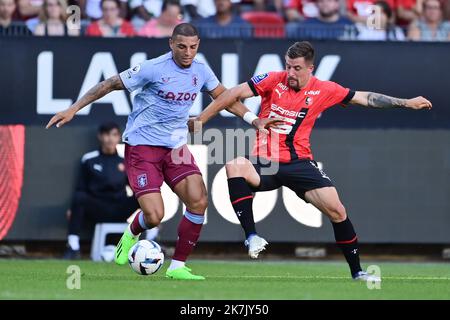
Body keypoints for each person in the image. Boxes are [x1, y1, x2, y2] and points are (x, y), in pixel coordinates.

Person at [46, 23, 275, 280]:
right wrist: (73, 108)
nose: (188, 52)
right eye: (182, 47)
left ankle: (177, 267)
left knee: (199, 200)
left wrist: (254, 120)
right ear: (171, 44)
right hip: (142, 147)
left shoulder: (201, 70)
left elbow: (226, 98)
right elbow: (110, 84)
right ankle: (132, 232)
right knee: (154, 216)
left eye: (193, 47)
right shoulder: (153, 68)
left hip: (175, 148)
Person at [193, 41, 432, 282]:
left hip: (300, 163)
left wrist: (406, 103)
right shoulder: (273, 79)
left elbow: (364, 98)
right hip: (266, 162)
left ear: (310, 69)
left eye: (296, 68)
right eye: (288, 66)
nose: (290, 73)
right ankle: (252, 236)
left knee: (338, 211)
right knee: (234, 164)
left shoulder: (325, 89)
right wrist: (203, 119)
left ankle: (358, 272)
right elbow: (232, 94)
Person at [63, 122, 151, 259]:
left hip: (120, 207)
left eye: (114, 135)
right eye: (106, 134)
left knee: (145, 196)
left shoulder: (125, 161)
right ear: (100, 136)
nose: (110, 139)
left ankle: (152, 240)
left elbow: (135, 188)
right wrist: (72, 209)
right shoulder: (89, 159)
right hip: (97, 208)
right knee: (79, 197)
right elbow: (80, 188)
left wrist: (147, 207)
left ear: (118, 137)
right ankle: (73, 246)